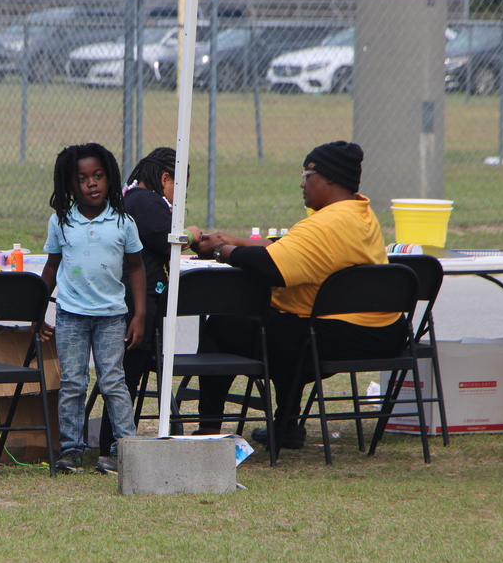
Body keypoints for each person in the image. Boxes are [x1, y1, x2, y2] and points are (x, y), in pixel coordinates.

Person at [189, 140, 407, 447]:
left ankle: (209, 429)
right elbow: (288, 246)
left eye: (307, 176)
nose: (301, 183)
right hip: (385, 334)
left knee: (225, 325)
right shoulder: (360, 214)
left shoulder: (324, 225)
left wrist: (222, 251)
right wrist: (236, 241)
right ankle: (287, 427)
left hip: (332, 338)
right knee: (284, 322)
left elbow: (271, 267)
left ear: (328, 178)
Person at [41, 143, 147, 474]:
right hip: (71, 316)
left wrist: (139, 314)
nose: (92, 183)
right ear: (69, 184)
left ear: (110, 177)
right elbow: (50, 269)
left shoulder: (123, 222)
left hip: (112, 318)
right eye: (83, 178)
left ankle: (124, 448)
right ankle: (70, 450)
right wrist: (35, 311)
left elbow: (137, 268)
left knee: (113, 380)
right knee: (73, 382)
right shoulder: (60, 222)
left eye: (98, 175)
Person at [98, 146, 181, 457]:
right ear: (164, 178)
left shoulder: (132, 198)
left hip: (131, 300)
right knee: (127, 378)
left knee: (124, 378)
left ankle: (113, 442)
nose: (179, 198)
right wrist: (194, 236)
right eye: (180, 187)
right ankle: (113, 446)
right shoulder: (148, 203)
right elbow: (169, 240)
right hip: (138, 304)